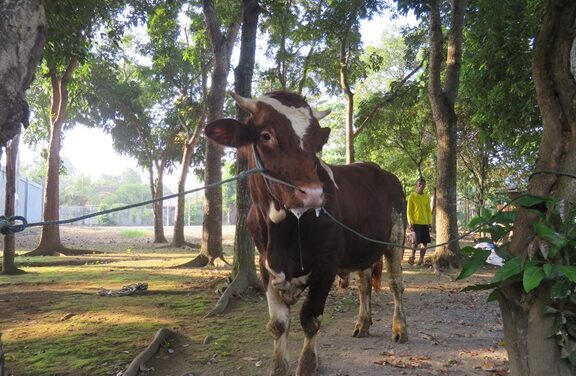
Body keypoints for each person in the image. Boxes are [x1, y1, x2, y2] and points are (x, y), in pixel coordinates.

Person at [407, 177, 432, 265]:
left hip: (425, 223)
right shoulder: (412, 196)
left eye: (423, 184)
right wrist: (410, 222)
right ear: (416, 185)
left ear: (425, 186)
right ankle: (412, 257)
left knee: (424, 243)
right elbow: (409, 211)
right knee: (415, 242)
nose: (421, 186)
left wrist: (429, 223)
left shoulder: (426, 197)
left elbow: (428, 210)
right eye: (420, 184)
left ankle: (421, 259)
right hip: (415, 223)